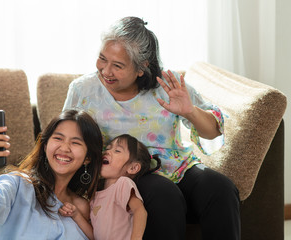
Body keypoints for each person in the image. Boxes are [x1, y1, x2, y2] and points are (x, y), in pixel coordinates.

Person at [62, 16, 241, 240]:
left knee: (220, 188)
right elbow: (64, 138)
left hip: (177, 167)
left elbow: (213, 131)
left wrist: (189, 111)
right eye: (102, 59)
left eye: (117, 66)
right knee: (164, 193)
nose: (105, 71)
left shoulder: (168, 84)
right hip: (126, 172)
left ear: (141, 68)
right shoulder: (83, 90)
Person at [0, 109, 103, 240]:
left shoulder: (82, 207)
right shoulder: (17, 184)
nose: (64, 148)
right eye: (58, 138)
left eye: (75, 142)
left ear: (88, 157)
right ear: (45, 146)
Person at [59, 134, 161, 240]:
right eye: (107, 148)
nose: (107, 151)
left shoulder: (122, 184)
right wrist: (76, 215)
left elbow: (140, 211)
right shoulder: (96, 196)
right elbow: (94, 235)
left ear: (133, 167)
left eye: (117, 150)